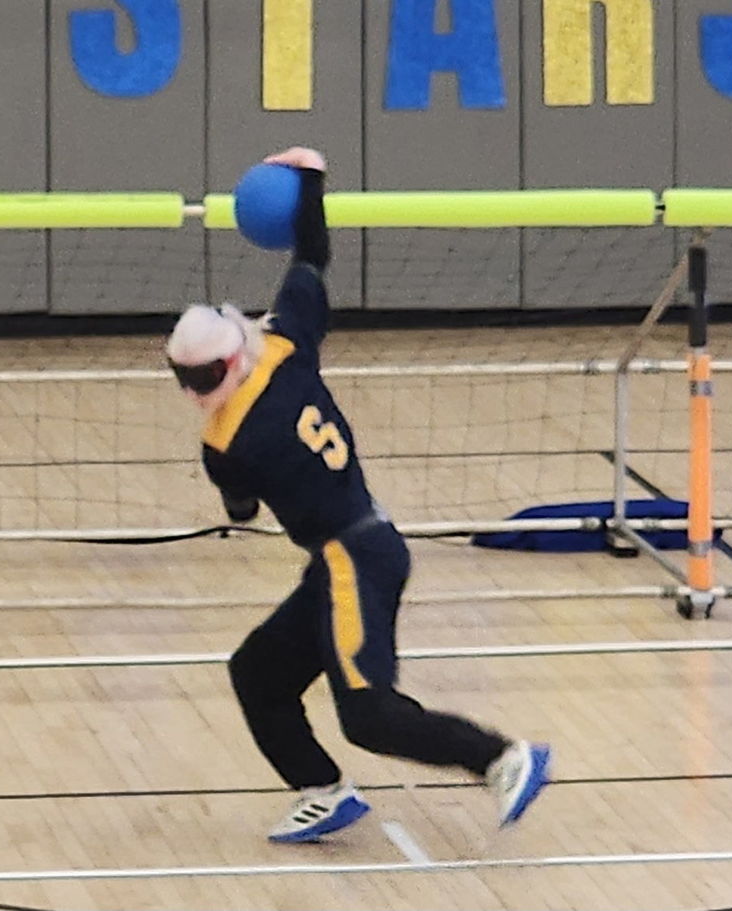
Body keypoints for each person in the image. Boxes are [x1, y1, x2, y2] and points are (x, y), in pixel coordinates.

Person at [166, 146, 550, 843]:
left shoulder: (225, 444)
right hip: (350, 548)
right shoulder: (285, 344)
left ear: (222, 365)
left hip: (353, 559)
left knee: (368, 714)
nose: (195, 392)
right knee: (257, 672)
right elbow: (311, 257)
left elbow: (240, 509)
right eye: (185, 379)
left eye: (200, 379)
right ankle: (322, 790)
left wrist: (237, 496)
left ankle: (501, 757)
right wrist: (310, 176)